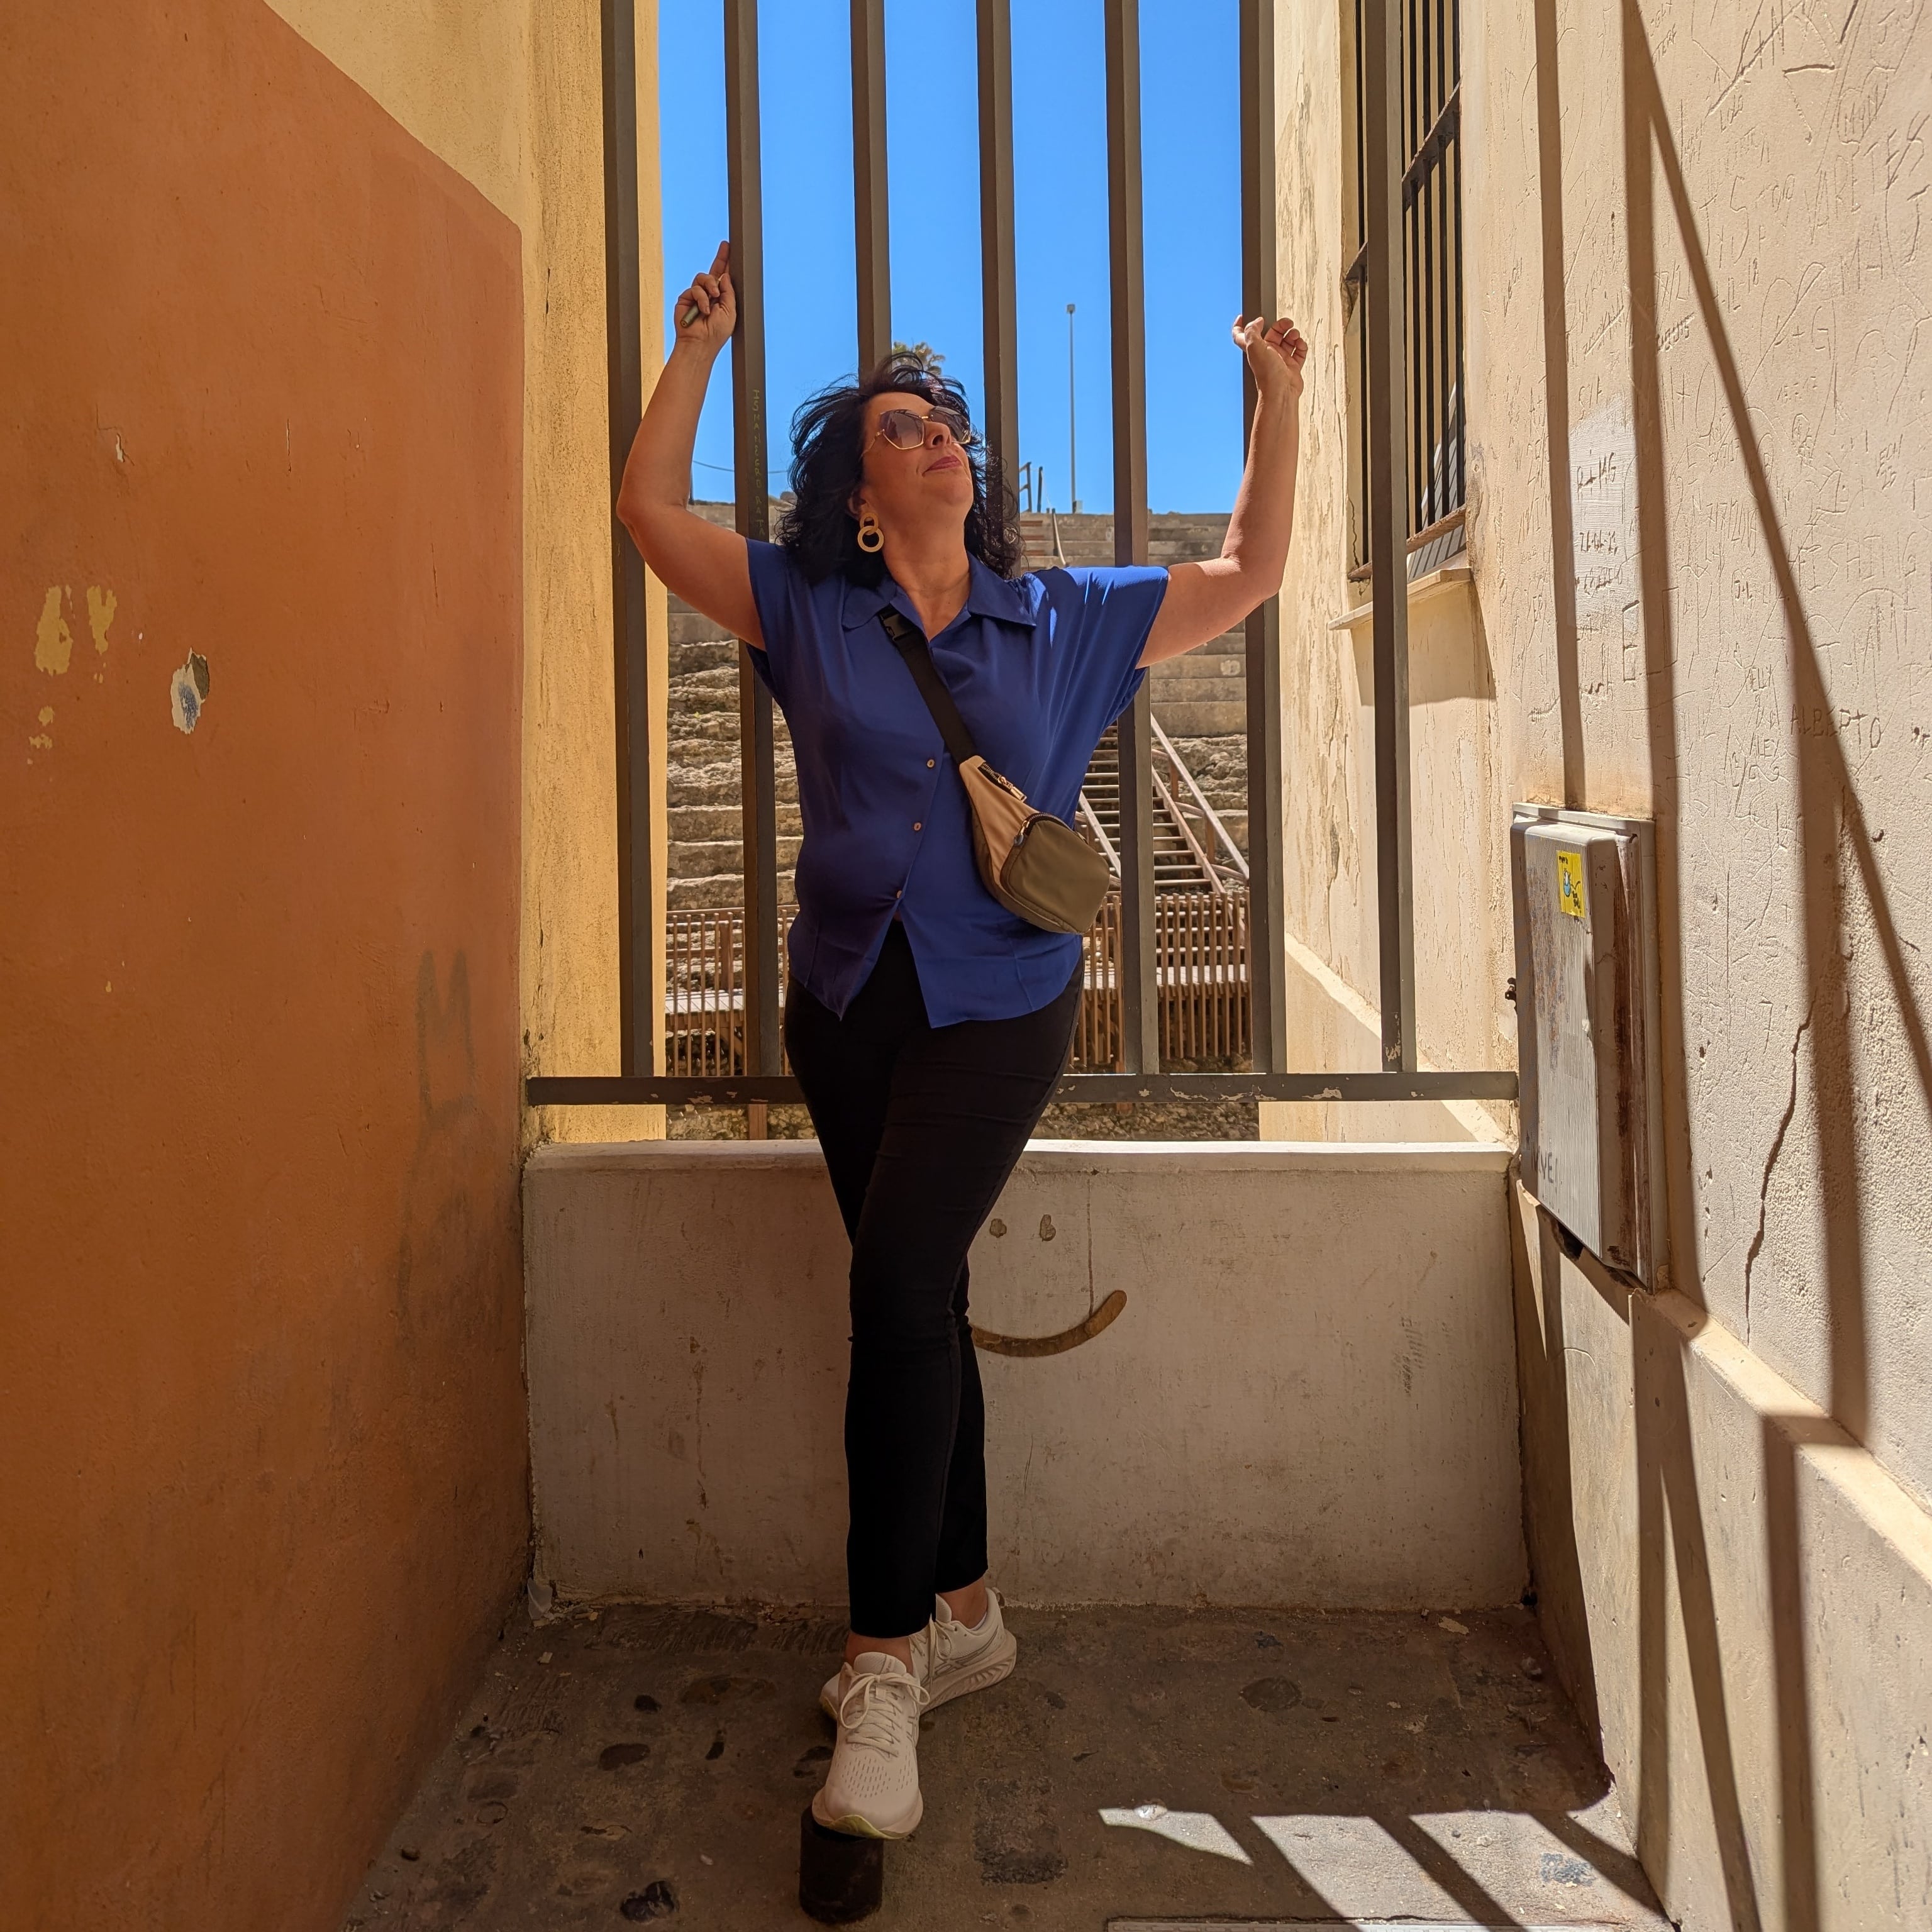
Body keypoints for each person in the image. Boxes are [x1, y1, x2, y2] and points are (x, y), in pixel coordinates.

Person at [618, 242, 1307, 1841]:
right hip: (845, 998)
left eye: (947, 422)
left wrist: (1277, 401)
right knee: (920, 1292)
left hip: (999, 1005)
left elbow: (1251, 569)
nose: (937, 434)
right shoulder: (807, 607)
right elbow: (651, 515)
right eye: (900, 425)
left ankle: (882, 1666)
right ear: (860, 495)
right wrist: (697, 349)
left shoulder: (1066, 618)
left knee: (890, 1290)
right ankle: (973, 1614)